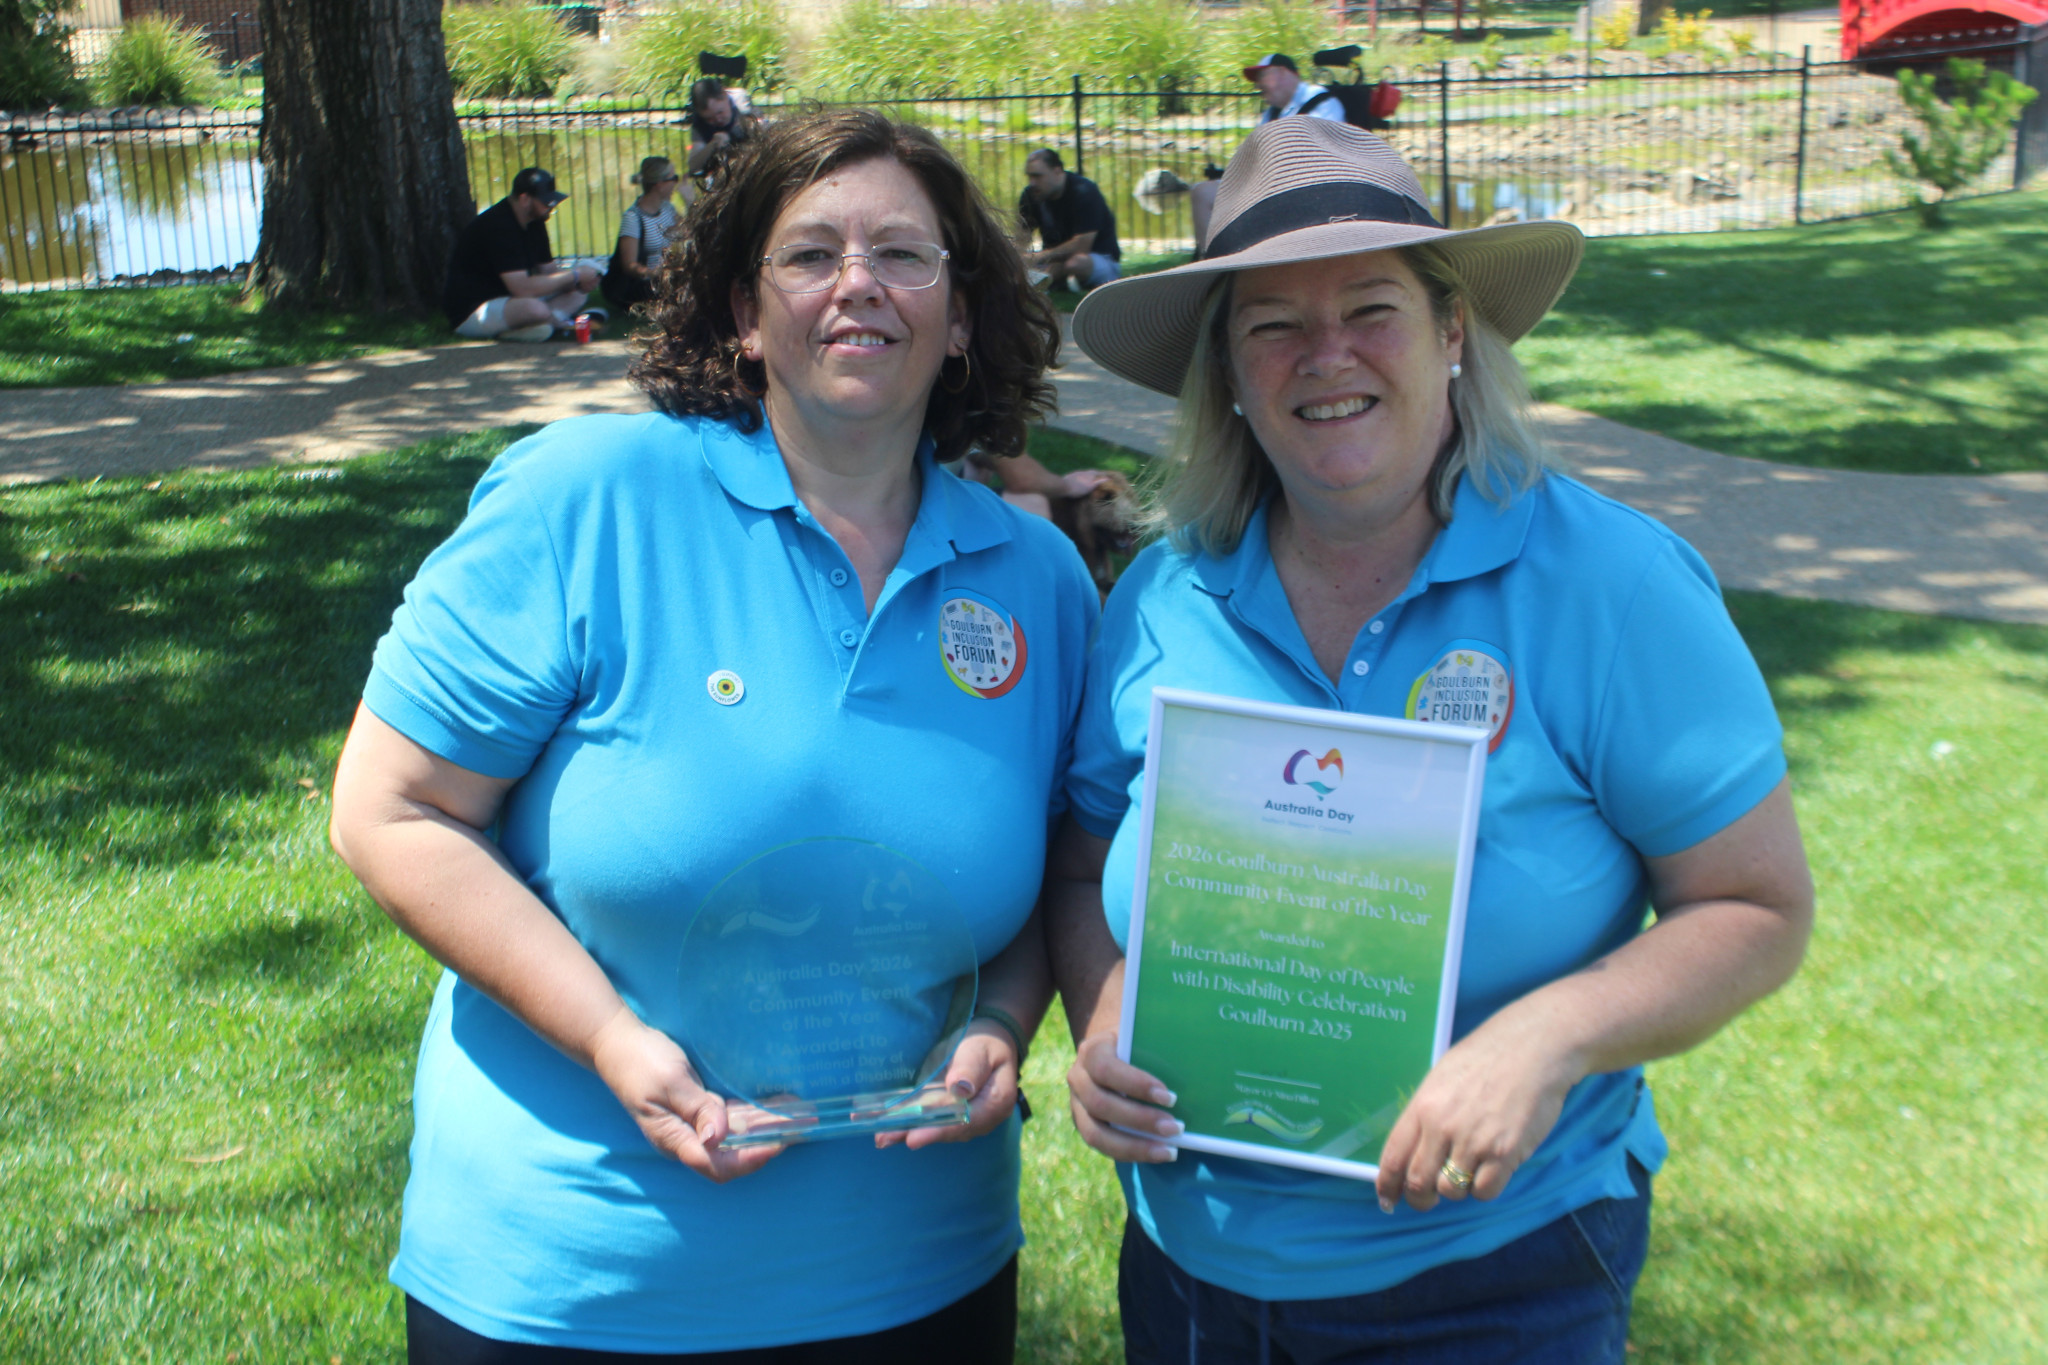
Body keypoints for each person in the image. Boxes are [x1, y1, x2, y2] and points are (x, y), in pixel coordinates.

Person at [331, 108, 1094, 1361]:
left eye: (904, 255)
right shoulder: (585, 501)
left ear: (963, 317)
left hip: (921, 1279)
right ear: (744, 314)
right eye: (810, 255)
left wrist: (1003, 1028)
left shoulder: (1036, 580)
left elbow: (1045, 874)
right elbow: (391, 810)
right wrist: (608, 1038)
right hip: (582, 1281)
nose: (858, 284)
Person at [1051, 117, 1815, 1363]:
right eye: (1271, 326)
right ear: (1228, 374)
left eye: (1371, 309)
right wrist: (1099, 1014)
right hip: (1189, 1273)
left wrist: (1545, 1037)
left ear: (1453, 334)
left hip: (1489, 1275)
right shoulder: (1166, 598)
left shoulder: (1609, 587)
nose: (1325, 356)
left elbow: (1754, 907)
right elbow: (1084, 863)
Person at [1191, 55, 1346, 252]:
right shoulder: (1271, 113)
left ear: (1283, 72)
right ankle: (1213, 266)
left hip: (1309, 187)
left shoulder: (1322, 102)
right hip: (1269, 185)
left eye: (1262, 76)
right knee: (1202, 192)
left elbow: (1321, 155)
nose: (1258, 85)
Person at [442, 167, 603, 343]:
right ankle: (557, 323)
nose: (552, 207)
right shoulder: (498, 226)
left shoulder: (535, 222)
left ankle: (543, 326)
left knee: (578, 294)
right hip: (474, 310)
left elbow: (549, 273)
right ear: (525, 199)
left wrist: (577, 283)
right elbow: (521, 288)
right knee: (535, 309)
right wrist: (575, 275)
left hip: (511, 301)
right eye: (546, 203)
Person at [1016, 148, 1121, 293]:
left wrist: (1038, 257)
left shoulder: (1084, 191)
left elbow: (1081, 246)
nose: (1032, 183)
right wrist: (1018, 258)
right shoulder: (1030, 195)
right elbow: (1021, 237)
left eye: (1037, 176)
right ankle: (1048, 280)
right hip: (1053, 259)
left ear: (1057, 171)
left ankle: (1044, 281)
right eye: (1029, 177)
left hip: (1095, 258)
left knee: (1075, 264)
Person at [603, 155, 682, 312]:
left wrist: (690, 202)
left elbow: (688, 232)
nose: (676, 183)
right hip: (636, 285)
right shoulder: (633, 218)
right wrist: (655, 273)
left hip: (659, 279)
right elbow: (629, 266)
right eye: (673, 178)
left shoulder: (667, 209)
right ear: (659, 184)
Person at [686, 76, 760, 183]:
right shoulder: (699, 124)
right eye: (709, 119)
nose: (718, 120)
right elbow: (693, 166)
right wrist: (713, 144)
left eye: (720, 112)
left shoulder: (740, 101)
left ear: (725, 96)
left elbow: (761, 133)